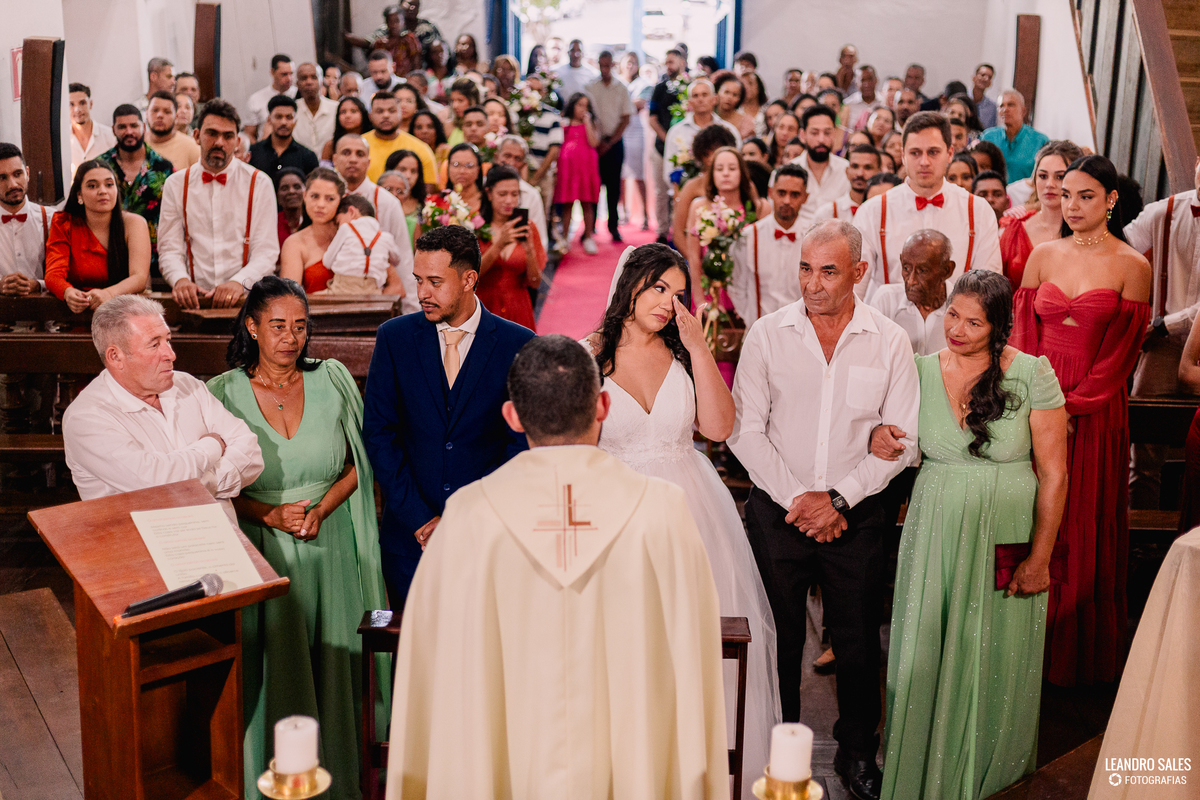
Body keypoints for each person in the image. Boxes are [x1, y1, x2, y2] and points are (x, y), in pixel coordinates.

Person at [385, 334, 729, 797]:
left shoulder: (467, 519)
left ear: (511, 415)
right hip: (626, 772)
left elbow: (433, 670)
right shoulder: (662, 513)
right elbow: (691, 665)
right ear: (603, 405)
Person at [729, 219, 920, 800]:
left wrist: (838, 499)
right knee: (778, 639)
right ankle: (778, 751)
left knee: (859, 641)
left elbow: (904, 440)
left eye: (828, 271)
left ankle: (859, 754)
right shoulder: (767, 334)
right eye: (806, 268)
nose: (812, 283)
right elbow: (744, 431)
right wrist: (800, 501)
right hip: (778, 514)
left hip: (856, 517)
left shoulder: (889, 341)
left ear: (859, 273)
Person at [583, 244, 779, 799]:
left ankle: (696, 773)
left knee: (699, 647)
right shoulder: (587, 354)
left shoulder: (682, 353)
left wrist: (697, 350)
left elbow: (718, 428)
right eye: (658, 288)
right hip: (617, 516)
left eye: (677, 293)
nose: (670, 303)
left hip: (692, 510)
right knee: (625, 649)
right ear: (629, 286)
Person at [874, 270, 1069, 799]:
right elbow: (881, 428)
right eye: (952, 316)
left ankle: (992, 776)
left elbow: (1054, 473)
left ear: (999, 326)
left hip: (1006, 532)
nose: (956, 330)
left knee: (997, 652)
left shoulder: (1032, 375)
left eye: (973, 322)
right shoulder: (915, 371)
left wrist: (1039, 558)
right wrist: (877, 434)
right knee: (923, 649)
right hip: (935, 525)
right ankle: (918, 769)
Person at [206, 277, 388, 800]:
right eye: (278, 325)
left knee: (334, 662)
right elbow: (215, 486)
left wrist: (323, 507)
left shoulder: (331, 379)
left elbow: (360, 462)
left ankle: (340, 779)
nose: (291, 337)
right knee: (276, 667)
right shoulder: (221, 393)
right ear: (252, 326)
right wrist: (267, 515)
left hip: (329, 542)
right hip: (263, 550)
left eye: (301, 326)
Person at [1010, 154, 1151, 687]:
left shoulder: (1132, 266)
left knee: (1081, 520)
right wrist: (1036, 406)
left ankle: (1074, 660)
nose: (1071, 205)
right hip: (1036, 405)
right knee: (1031, 522)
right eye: (1065, 194)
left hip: (1094, 414)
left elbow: (1121, 357)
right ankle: (1022, 648)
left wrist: (1068, 410)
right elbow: (1022, 340)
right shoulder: (1042, 256)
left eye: (1085, 196)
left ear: (1111, 200)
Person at [363, 225, 536, 604]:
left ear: (469, 279)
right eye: (419, 280)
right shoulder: (394, 338)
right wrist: (422, 519)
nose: (422, 292)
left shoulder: (519, 345)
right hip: (410, 539)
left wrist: (468, 517)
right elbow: (378, 433)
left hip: (487, 536)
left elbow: (521, 444)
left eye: (435, 281)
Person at [62, 295, 264, 517]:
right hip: (142, 547)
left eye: (168, 340)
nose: (171, 354)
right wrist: (212, 445)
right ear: (115, 356)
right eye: (154, 344)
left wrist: (205, 483)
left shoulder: (186, 384)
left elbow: (251, 453)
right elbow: (156, 484)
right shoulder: (86, 418)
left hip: (223, 539)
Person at [854, 112, 1002, 300]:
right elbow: (855, 289)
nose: (924, 162)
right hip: (888, 325)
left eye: (933, 152)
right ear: (903, 155)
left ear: (949, 154)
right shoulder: (872, 211)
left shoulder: (978, 211)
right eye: (915, 153)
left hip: (954, 327)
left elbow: (988, 290)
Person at [1126, 157, 1200, 508]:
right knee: (1142, 443)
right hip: (1163, 346)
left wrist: (1162, 323)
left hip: (1163, 330)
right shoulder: (1164, 212)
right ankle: (1140, 544)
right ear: (1196, 163)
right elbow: (1118, 251)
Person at [157, 99, 279, 309]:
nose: (219, 142)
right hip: (194, 302)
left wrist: (238, 283)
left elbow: (266, 252)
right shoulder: (175, 184)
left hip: (246, 300)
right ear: (196, 136)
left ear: (237, 141)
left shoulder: (259, 183)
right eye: (212, 133)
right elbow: (169, 248)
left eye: (228, 136)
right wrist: (180, 279)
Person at [45, 160, 151, 312]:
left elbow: (139, 278)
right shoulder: (64, 223)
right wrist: (67, 292)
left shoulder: (134, 223)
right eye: (92, 186)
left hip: (124, 311)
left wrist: (108, 293)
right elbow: (53, 275)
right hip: (77, 311)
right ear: (79, 195)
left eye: (109, 185)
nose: (103, 191)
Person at [329, 135, 414, 304]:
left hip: (377, 296)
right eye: (346, 153)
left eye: (360, 154)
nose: (353, 159)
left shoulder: (388, 202)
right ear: (335, 160)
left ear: (368, 162)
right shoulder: (324, 200)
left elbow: (403, 258)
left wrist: (411, 309)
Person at [96, 104, 174, 275]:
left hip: (155, 258)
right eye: (122, 127)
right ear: (113, 129)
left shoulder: (164, 167)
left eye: (134, 126)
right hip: (111, 254)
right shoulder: (100, 167)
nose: (129, 131)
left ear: (144, 127)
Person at [729, 162, 806, 328]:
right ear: (771, 192)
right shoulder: (748, 237)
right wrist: (751, 321)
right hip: (758, 330)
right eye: (781, 193)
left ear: (805, 197)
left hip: (802, 332)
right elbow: (736, 286)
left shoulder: (813, 239)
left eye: (795, 195)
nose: (787, 200)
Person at [684, 146, 769, 294]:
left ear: (741, 173)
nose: (725, 174)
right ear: (712, 174)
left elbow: (766, 259)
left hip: (748, 290)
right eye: (719, 169)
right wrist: (699, 299)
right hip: (710, 289)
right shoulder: (699, 207)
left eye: (732, 168)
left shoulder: (760, 208)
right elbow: (694, 258)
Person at [999, 140, 1083, 289]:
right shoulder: (1013, 229)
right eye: (1043, 176)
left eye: (1059, 177)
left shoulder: (1089, 232)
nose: (1050, 184)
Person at [476, 166, 544, 329]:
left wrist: (529, 252)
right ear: (489, 194)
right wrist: (498, 245)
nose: (509, 201)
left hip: (518, 306)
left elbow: (535, 283)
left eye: (514, 194)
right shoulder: (476, 226)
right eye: (502, 194)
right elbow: (473, 275)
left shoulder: (528, 227)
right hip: (484, 306)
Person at [868, 229, 955, 356]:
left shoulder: (962, 308)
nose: (911, 281)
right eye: (906, 268)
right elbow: (871, 356)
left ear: (947, 271)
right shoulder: (885, 300)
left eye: (923, 271)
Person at [585, 50, 634, 245]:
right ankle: (591, 225)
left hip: (614, 143)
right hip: (594, 141)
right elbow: (586, 114)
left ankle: (613, 226)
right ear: (598, 64)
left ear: (613, 65)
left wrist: (610, 142)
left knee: (614, 187)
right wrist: (597, 141)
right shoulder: (590, 87)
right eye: (601, 65)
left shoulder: (621, 88)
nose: (604, 69)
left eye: (608, 65)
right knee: (593, 185)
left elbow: (626, 118)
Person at [279, 167, 346, 292]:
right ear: (305, 196)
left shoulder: (356, 233)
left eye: (330, 199)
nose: (320, 205)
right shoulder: (294, 243)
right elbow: (290, 297)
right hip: (313, 310)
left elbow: (394, 284)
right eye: (314, 196)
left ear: (341, 199)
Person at [320, 194, 403, 294]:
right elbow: (397, 260)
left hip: (342, 289)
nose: (337, 228)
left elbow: (327, 262)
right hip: (373, 292)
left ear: (351, 212)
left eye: (338, 222)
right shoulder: (386, 237)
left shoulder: (346, 228)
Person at [648, 48, 689, 243]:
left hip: (685, 150)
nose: (668, 66)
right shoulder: (660, 88)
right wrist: (668, 139)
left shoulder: (689, 87)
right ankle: (663, 231)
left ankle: (680, 229)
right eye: (666, 62)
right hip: (661, 147)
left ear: (682, 62)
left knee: (681, 190)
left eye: (672, 62)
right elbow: (652, 118)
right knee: (661, 192)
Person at [0, 143, 50, 295]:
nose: (13, 184)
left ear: (27, 173)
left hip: (46, 315)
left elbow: (69, 275)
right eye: (2, 178)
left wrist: (38, 284)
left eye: (17, 174)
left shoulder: (52, 219)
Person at [555, 92, 602, 255]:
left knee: (587, 202)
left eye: (586, 106)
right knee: (567, 204)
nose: (583, 109)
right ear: (572, 105)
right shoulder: (564, 123)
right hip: (568, 168)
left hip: (586, 168)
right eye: (579, 105)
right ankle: (565, 238)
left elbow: (594, 142)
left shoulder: (590, 123)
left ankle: (588, 236)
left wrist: (588, 122)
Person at [790, 106, 850, 230]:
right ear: (802, 135)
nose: (821, 139)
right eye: (814, 133)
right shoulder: (787, 172)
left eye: (827, 133)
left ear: (834, 134)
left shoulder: (847, 171)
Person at [362, 91, 438, 186]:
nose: (386, 115)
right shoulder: (358, 146)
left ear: (400, 114)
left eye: (391, 111)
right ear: (370, 116)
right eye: (379, 111)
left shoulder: (420, 149)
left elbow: (428, 190)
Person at [980, 90, 1050, 183]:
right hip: (992, 194)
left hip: (1025, 196)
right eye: (1001, 106)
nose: (1005, 109)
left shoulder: (1040, 141)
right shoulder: (988, 138)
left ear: (1023, 111)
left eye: (1011, 105)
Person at [248, 95, 320, 184]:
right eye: (278, 117)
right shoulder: (253, 153)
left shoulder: (308, 156)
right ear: (269, 120)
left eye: (289, 117)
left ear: (295, 121)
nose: (284, 122)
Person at [492, 135, 549, 246]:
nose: (511, 162)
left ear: (523, 164)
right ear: (496, 157)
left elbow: (541, 241)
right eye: (507, 156)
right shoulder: (484, 186)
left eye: (517, 158)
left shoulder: (531, 195)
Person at [814, 144, 880, 221]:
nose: (860, 173)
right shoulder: (826, 214)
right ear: (847, 171)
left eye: (867, 167)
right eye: (855, 166)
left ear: (879, 172)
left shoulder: (885, 210)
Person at [245, 54, 297, 142]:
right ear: (272, 72)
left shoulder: (299, 94)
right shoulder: (256, 99)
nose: (289, 78)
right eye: (284, 74)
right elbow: (249, 134)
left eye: (291, 74)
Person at [144, 91, 200, 171]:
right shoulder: (138, 144)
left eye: (167, 112)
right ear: (146, 113)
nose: (160, 115)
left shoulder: (192, 148)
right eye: (155, 110)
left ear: (176, 116)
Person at [69, 83, 116, 176]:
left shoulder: (109, 136)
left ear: (90, 104)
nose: (77, 109)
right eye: (71, 104)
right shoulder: (62, 140)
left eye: (82, 103)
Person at [292, 62, 339, 154]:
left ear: (322, 81)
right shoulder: (292, 111)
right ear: (297, 83)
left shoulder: (336, 109)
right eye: (304, 78)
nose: (309, 82)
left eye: (314, 77)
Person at [382, 149, 428, 242]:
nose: (408, 175)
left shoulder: (427, 206)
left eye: (413, 171)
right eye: (402, 169)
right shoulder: (378, 201)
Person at [321, 96, 373, 162]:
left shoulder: (373, 140)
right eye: (343, 112)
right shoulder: (330, 146)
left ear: (363, 114)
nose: (347, 116)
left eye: (353, 111)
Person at [711, 70, 756, 141]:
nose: (729, 98)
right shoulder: (707, 116)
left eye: (735, 95)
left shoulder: (747, 123)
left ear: (740, 98)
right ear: (717, 92)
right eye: (726, 92)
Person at [554, 39, 597, 105]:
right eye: (573, 50)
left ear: (583, 54)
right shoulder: (557, 71)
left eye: (579, 51)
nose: (575, 54)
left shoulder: (592, 74)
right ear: (568, 52)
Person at [844, 66, 883, 130]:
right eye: (862, 80)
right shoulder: (848, 105)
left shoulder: (884, 102)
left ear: (876, 80)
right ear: (856, 83)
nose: (867, 84)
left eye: (870, 79)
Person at [275, 167, 306, 246]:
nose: (291, 191)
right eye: (284, 188)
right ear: (277, 196)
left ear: (305, 193)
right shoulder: (271, 225)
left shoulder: (315, 223)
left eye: (297, 187)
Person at [971, 63, 998, 130]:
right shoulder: (962, 98)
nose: (985, 79)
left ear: (990, 83)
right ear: (974, 78)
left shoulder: (992, 108)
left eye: (989, 77)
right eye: (982, 75)